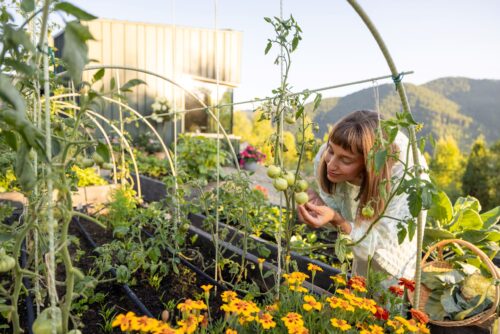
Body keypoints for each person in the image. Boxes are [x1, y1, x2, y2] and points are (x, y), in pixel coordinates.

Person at [298, 110, 429, 280]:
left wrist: (339, 221)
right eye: (331, 151)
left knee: (389, 290)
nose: (331, 163)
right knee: (361, 285)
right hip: (362, 252)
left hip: (391, 263)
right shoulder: (328, 155)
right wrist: (324, 208)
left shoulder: (406, 176)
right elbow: (342, 213)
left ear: (368, 165)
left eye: (345, 160)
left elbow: (382, 244)